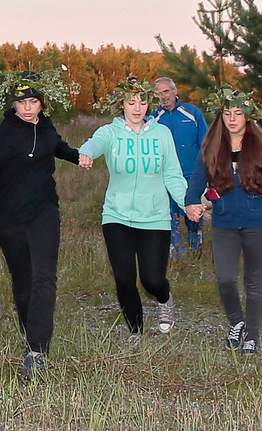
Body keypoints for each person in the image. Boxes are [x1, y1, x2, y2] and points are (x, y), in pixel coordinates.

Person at [0, 72, 85, 381]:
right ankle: (31, 336)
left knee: (45, 277)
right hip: (9, 217)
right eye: (21, 102)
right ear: (13, 104)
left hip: (44, 211)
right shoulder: (3, 134)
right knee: (24, 280)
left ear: (41, 103)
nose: (27, 108)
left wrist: (77, 156)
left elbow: (56, 145)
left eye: (33, 102)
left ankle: (37, 351)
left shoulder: (46, 126)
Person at [77, 78, 208, 345]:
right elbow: (94, 143)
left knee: (152, 279)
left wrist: (188, 204)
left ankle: (164, 298)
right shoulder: (111, 132)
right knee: (124, 278)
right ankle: (135, 331)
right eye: (131, 102)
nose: (137, 108)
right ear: (121, 104)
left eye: (142, 101)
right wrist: (86, 153)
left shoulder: (161, 134)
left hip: (154, 218)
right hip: (116, 216)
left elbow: (172, 174)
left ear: (150, 103)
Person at [200, 89, 262, 354]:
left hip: (256, 223)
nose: (232, 119)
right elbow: (198, 175)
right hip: (225, 223)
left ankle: (252, 334)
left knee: (253, 281)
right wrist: (192, 200)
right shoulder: (213, 145)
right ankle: (236, 322)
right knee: (225, 279)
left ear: (249, 117)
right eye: (227, 113)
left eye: (238, 113)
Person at [151, 76, 211, 258]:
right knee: (169, 215)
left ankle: (196, 250)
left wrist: (206, 171)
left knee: (193, 214)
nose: (164, 96)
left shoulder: (192, 113)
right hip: (164, 176)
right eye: (159, 93)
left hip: (191, 174)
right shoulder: (153, 118)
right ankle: (175, 254)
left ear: (175, 91)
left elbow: (206, 144)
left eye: (166, 91)